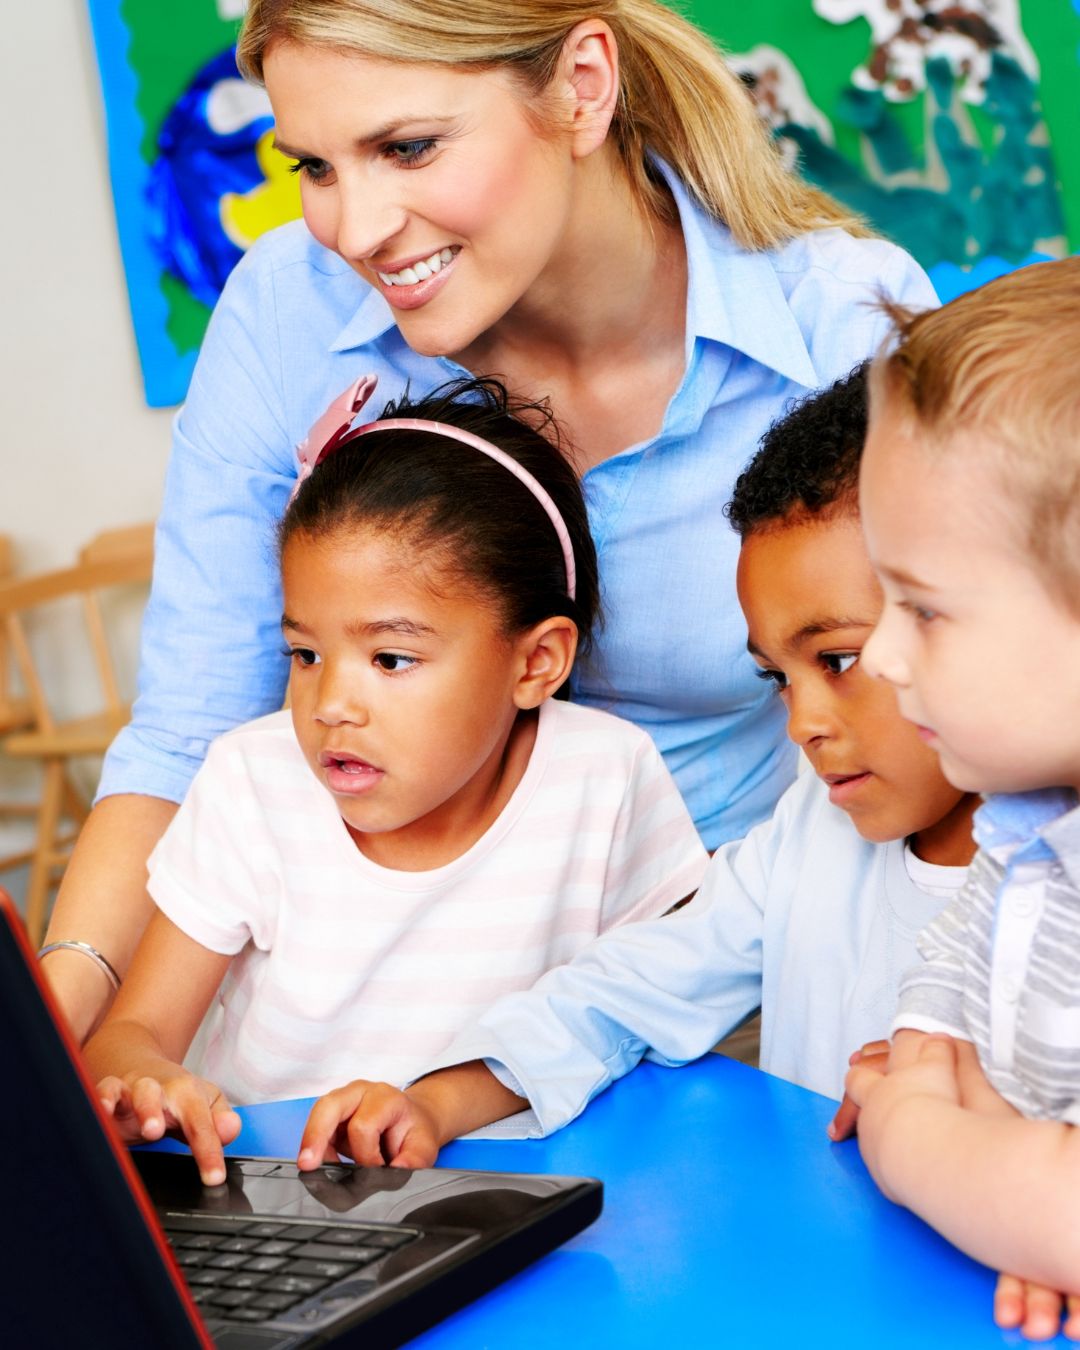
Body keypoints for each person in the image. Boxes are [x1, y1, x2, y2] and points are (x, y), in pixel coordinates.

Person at [42, 0, 938, 1046]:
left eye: (408, 147)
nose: (358, 229)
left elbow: (959, 722)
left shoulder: (844, 325)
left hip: (714, 996)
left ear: (582, 86)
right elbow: (189, 732)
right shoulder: (289, 310)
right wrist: (59, 1029)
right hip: (366, 1007)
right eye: (316, 169)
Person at [283, 365, 980, 1172]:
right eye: (777, 678)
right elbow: (630, 988)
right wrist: (439, 1100)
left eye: (839, 658)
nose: (805, 723)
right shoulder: (808, 836)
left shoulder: (1049, 882)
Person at [83, 377, 707, 1186]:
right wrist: (142, 1079)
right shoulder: (252, 782)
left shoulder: (608, 777)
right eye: (305, 654)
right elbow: (130, 1033)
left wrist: (442, 1101)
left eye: (391, 659)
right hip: (274, 1205)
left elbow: (655, 1005)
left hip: (527, 1194)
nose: (331, 705)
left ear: (536, 662)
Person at [839, 258, 1080, 1342]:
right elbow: (960, 954)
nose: (883, 654)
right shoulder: (1030, 816)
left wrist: (918, 1142)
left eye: (925, 611)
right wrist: (927, 1042)